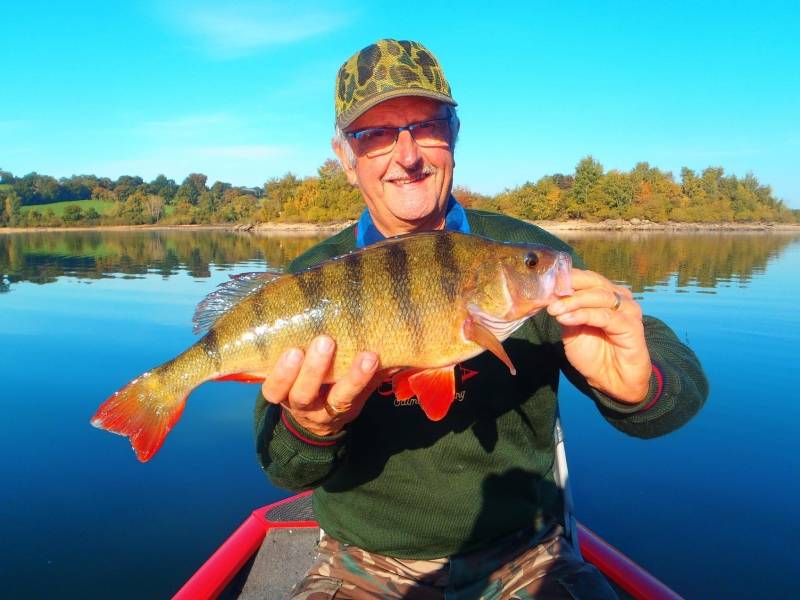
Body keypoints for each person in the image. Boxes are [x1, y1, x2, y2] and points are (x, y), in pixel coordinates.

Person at [254, 39, 708, 599]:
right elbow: (281, 464)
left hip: (526, 556)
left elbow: (676, 382)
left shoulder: (526, 258)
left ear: (455, 136)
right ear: (345, 158)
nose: (408, 155)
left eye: (426, 126)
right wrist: (312, 428)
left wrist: (640, 386)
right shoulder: (309, 280)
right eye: (374, 135)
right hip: (361, 563)